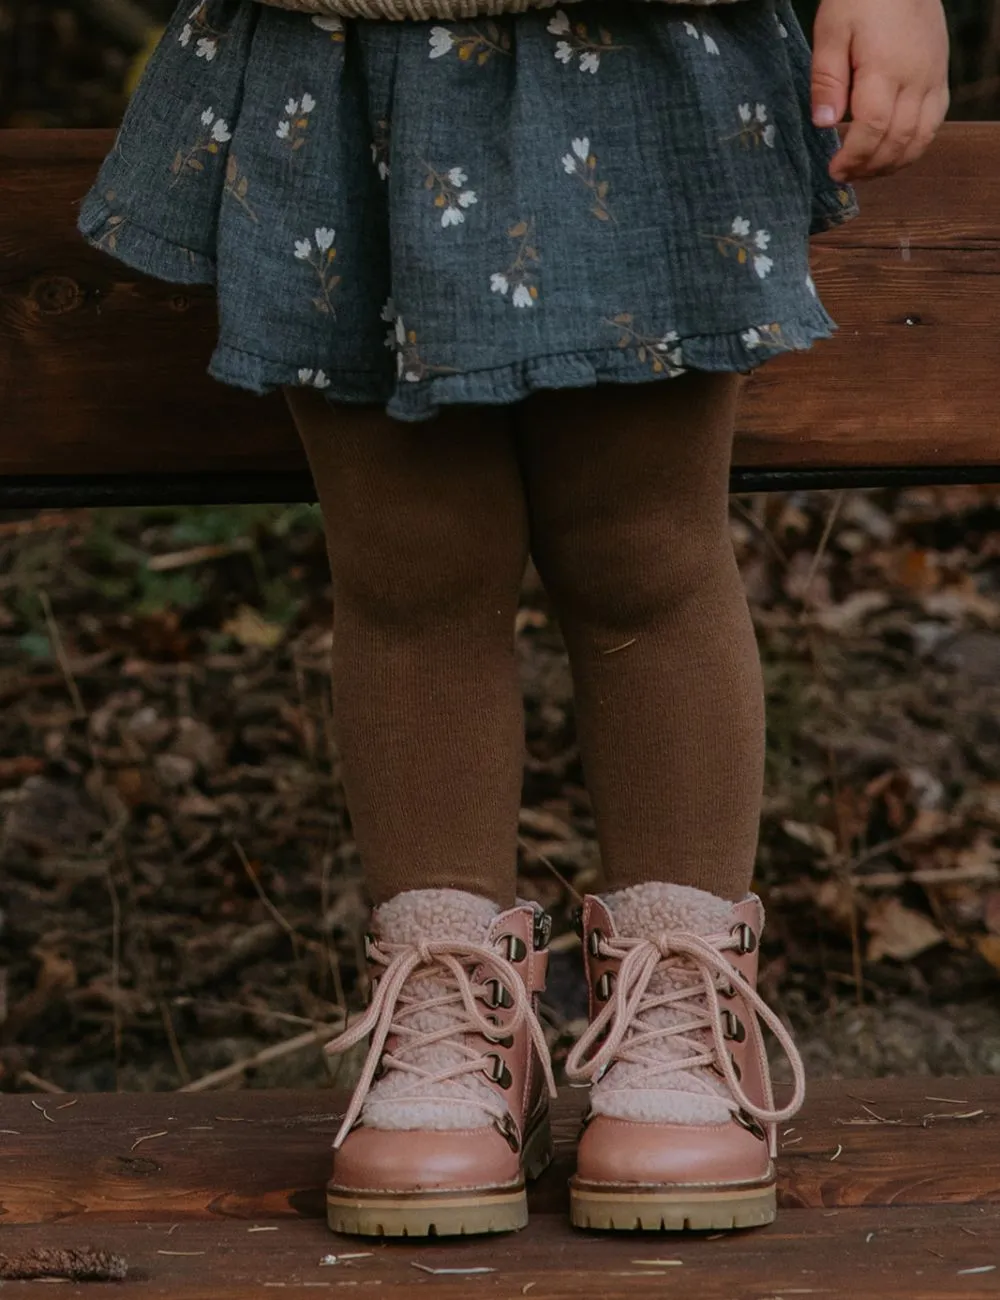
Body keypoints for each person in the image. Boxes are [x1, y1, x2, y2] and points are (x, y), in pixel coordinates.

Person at [79, 0, 950, 1239]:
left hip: (634, 60)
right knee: (411, 567)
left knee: (642, 553)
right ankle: (449, 1014)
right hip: (338, 56)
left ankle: (685, 1018)